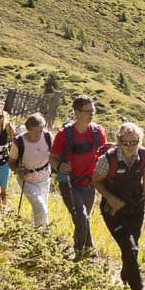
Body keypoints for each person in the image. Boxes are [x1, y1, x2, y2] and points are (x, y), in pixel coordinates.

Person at [93, 121, 145, 290]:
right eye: (126, 143)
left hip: (136, 210)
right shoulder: (107, 160)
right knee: (130, 248)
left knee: (132, 250)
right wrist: (110, 198)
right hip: (113, 212)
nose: (130, 147)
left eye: (134, 142)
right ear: (119, 141)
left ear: (139, 141)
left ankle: (125, 276)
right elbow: (96, 181)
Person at [51, 94, 108, 259]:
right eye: (87, 111)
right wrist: (59, 166)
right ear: (76, 112)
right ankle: (87, 252)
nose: (91, 114)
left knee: (83, 219)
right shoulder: (64, 134)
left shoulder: (98, 132)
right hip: (69, 182)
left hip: (90, 183)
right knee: (81, 217)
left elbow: (104, 154)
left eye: (93, 111)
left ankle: (81, 254)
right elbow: (52, 158)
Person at [10, 113, 53, 228]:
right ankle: (40, 233)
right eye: (35, 132)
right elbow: (11, 162)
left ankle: (37, 231)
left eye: (41, 130)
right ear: (28, 130)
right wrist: (18, 170)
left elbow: (55, 155)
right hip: (27, 179)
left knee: (41, 208)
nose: (39, 134)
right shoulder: (19, 142)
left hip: (44, 178)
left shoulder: (48, 137)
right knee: (41, 208)